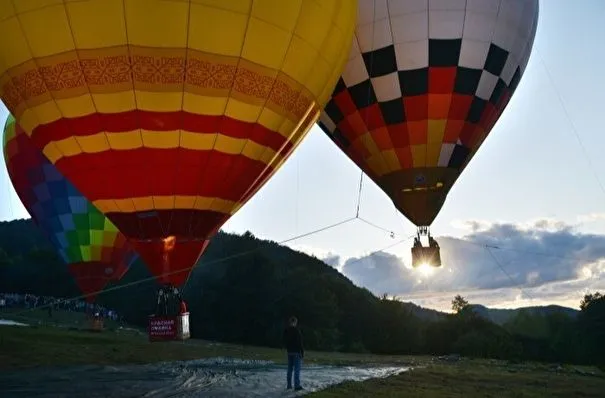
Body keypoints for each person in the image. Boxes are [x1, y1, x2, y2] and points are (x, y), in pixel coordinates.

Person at [283, 316, 304, 390]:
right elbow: (300, 343)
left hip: (289, 352)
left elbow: (284, 341)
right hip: (296, 352)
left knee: (289, 369)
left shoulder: (286, 330)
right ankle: (297, 385)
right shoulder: (297, 331)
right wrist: (302, 352)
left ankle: (289, 385)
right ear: (295, 322)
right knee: (297, 370)